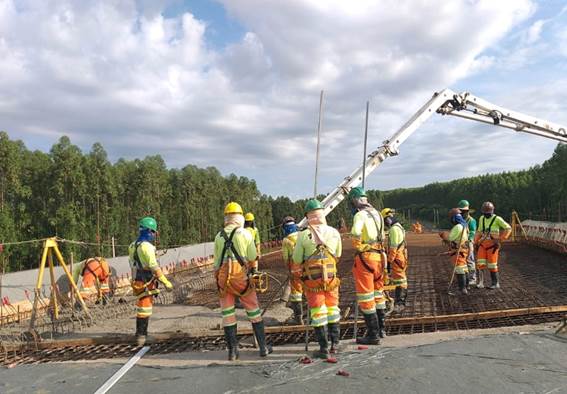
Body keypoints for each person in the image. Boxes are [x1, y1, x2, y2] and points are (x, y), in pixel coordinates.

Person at [214, 202, 271, 361]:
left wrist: (218, 281)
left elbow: (216, 263)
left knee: (228, 314)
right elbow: (253, 258)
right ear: (240, 217)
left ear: (226, 217)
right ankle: (263, 348)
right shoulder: (245, 234)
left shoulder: (219, 236)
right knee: (253, 310)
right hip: (241, 278)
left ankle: (232, 352)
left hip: (224, 279)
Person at [292, 199, 342, 358]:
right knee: (333, 308)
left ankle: (324, 348)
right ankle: (335, 345)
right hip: (331, 278)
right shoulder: (334, 232)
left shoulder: (303, 235)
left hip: (312, 280)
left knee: (318, 311)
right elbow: (338, 254)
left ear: (307, 216)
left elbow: (297, 259)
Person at [348, 187, 387, 345]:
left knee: (366, 296)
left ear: (355, 202)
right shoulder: (377, 213)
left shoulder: (359, 215)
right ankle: (381, 329)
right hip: (380, 257)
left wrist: (360, 247)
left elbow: (356, 233)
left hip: (366, 258)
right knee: (378, 293)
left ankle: (373, 334)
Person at [129, 216, 173, 345]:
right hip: (147, 279)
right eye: (154, 232)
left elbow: (132, 265)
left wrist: (133, 283)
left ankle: (142, 334)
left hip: (138, 279)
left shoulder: (132, 245)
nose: (154, 235)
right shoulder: (147, 247)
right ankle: (141, 336)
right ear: (150, 232)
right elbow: (154, 267)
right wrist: (166, 282)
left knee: (144, 307)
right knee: (145, 308)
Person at [474, 201, 512, 289]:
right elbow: (479, 231)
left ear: (492, 211)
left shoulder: (497, 219)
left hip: (492, 246)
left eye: (488, 213)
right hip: (483, 245)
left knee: (492, 265)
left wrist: (500, 239)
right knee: (480, 263)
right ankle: (481, 283)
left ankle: (495, 283)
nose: (486, 215)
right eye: (485, 213)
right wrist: (475, 242)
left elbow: (508, 228)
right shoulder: (481, 219)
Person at [382, 208, 408, 309]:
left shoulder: (394, 229)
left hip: (397, 259)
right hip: (401, 257)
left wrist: (389, 261)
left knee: (400, 280)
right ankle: (399, 301)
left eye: (385, 221)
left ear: (387, 219)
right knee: (399, 280)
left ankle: (400, 303)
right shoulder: (399, 227)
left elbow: (393, 248)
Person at [440, 208, 469, 295]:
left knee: (460, 269)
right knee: (464, 268)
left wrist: (443, 236)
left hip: (458, 251)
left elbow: (450, 238)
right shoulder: (464, 225)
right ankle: (466, 287)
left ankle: (462, 289)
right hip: (463, 250)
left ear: (454, 218)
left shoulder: (458, 227)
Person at [281, 216, 303, 324]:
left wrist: (288, 270)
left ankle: (298, 318)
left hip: (295, 270)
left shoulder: (286, 240)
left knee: (296, 294)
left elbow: (286, 258)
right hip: (308, 268)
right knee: (310, 290)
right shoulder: (302, 235)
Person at [458, 199, 477, 286]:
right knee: (462, 260)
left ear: (467, 211)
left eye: (463, 211)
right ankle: (465, 277)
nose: (462, 213)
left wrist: (469, 240)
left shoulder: (471, 220)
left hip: (468, 242)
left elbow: (473, 231)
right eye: (461, 211)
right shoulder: (459, 220)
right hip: (461, 242)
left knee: (469, 260)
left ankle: (472, 278)